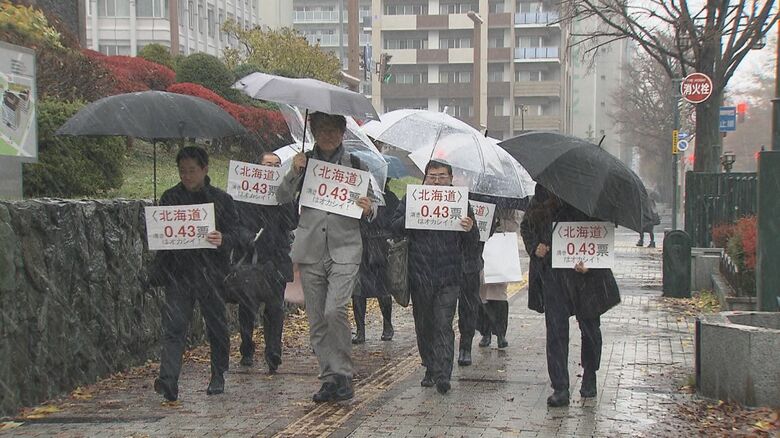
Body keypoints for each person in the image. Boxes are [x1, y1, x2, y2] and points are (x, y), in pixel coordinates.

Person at [276, 112, 377, 403]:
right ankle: (329, 378)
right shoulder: (303, 163)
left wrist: (368, 208)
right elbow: (281, 196)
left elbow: (373, 208)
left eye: (333, 130)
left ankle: (344, 372)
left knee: (335, 310)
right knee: (318, 318)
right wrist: (294, 172)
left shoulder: (356, 165)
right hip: (310, 249)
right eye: (322, 130)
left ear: (342, 132)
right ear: (314, 130)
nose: (328, 135)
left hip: (345, 248)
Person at [150, 146, 239, 402]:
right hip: (179, 273)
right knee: (174, 327)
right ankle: (168, 380)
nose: (187, 176)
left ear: (205, 169)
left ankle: (218, 373)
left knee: (216, 326)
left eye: (192, 171)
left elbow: (238, 235)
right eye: (182, 171)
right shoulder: (169, 198)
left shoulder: (221, 200)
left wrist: (223, 239)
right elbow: (161, 235)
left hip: (211, 274)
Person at [520, 184, 620, 407]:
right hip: (552, 273)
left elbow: (603, 232)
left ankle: (590, 374)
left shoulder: (591, 193)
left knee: (591, 330)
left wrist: (591, 264)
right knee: (555, 331)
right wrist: (535, 246)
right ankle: (560, 386)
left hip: (585, 276)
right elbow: (526, 226)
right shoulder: (543, 191)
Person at [391, 160, 479, 394]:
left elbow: (473, 240)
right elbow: (395, 227)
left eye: (442, 176)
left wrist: (469, 228)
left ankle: (443, 373)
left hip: (449, 276)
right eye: (432, 176)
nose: (437, 181)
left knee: (443, 323)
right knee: (424, 324)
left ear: (451, 179)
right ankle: (429, 366)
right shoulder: (413, 199)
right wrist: (411, 217)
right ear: (425, 178)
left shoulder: (460, 202)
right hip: (419, 274)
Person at [233, 152, 297, 372]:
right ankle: (247, 347)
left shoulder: (285, 193)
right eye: (267, 165)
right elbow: (234, 222)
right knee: (247, 306)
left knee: (275, 307)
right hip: (251, 258)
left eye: (276, 166)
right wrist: (246, 237)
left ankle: (273, 352)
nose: (271, 169)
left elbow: (291, 222)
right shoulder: (244, 193)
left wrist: (284, 198)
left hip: (276, 259)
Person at [352, 178, 400, 344]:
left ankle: (387, 325)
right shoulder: (354, 197)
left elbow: (393, 223)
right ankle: (360, 330)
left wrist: (373, 215)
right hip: (359, 247)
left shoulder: (390, 198)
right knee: (358, 291)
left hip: (380, 248)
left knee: (383, 289)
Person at [477, 208, 521, 349]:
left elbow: (514, 225)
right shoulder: (478, 200)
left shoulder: (509, 205)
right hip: (482, 248)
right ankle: (485, 332)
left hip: (501, 250)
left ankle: (500, 333)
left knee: (499, 294)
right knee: (481, 292)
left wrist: (499, 224)